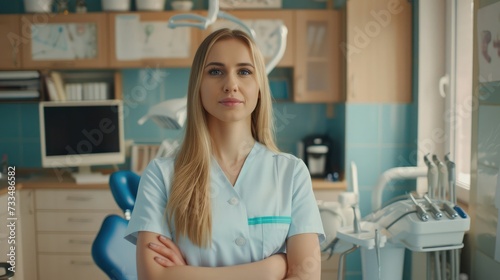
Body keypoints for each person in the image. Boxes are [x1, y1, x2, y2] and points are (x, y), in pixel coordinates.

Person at [125, 28, 325, 280]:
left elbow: (305, 276)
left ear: (260, 86)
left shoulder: (291, 173)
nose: (231, 84)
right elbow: (153, 277)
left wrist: (185, 274)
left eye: (244, 71)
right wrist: (271, 269)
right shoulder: (161, 175)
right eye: (215, 71)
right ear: (198, 85)